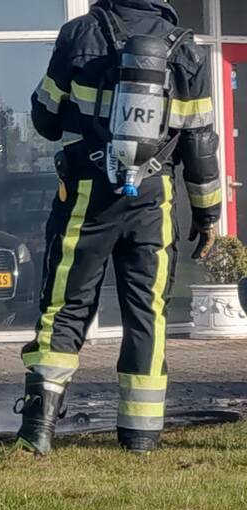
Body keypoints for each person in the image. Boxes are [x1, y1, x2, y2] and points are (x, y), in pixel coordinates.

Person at [15, 0, 221, 455]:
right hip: (154, 200)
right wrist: (208, 215)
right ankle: (141, 437)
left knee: (65, 305)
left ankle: (37, 430)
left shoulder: (78, 34)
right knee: (147, 312)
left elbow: (45, 119)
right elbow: (200, 143)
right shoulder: (186, 50)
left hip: (87, 193)